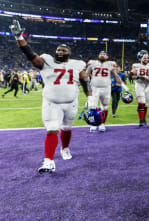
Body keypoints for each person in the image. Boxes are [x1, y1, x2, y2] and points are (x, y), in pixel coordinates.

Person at [9, 20, 95, 173]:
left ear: (69, 53)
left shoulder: (77, 64)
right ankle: (49, 161)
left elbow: (85, 81)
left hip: (71, 102)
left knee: (67, 128)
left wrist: (90, 98)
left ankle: (65, 148)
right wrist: (19, 37)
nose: (60, 52)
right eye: (58, 50)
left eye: (63, 50)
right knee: (52, 129)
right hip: (51, 103)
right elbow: (30, 55)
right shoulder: (46, 61)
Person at [86, 51, 125, 132]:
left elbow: (115, 75)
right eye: (101, 54)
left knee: (105, 106)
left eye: (104, 54)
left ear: (107, 57)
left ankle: (102, 124)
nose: (102, 55)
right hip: (94, 88)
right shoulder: (92, 63)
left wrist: (121, 84)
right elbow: (86, 74)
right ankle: (93, 125)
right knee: (92, 106)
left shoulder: (110, 64)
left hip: (106, 88)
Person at [131, 50, 149, 127]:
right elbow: (131, 76)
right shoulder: (136, 66)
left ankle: (144, 118)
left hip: (148, 86)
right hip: (139, 85)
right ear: (140, 58)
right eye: (144, 58)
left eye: (147, 58)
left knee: (146, 104)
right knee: (141, 102)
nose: (146, 59)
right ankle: (141, 120)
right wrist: (141, 77)